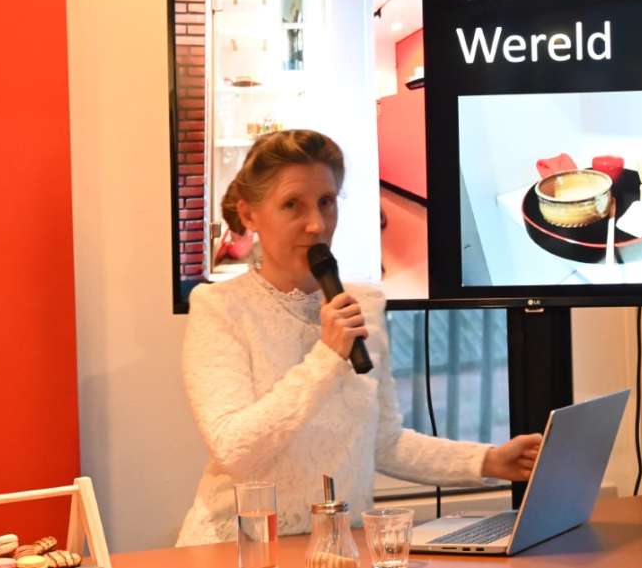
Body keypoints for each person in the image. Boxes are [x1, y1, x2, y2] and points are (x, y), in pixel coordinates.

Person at [176, 129, 541, 546]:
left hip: (336, 548)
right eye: (292, 204)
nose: (317, 225)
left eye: (326, 202)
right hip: (240, 549)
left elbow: (384, 442)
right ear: (249, 214)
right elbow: (234, 451)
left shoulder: (363, 303)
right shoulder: (220, 308)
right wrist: (327, 357)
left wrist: (488, 461)